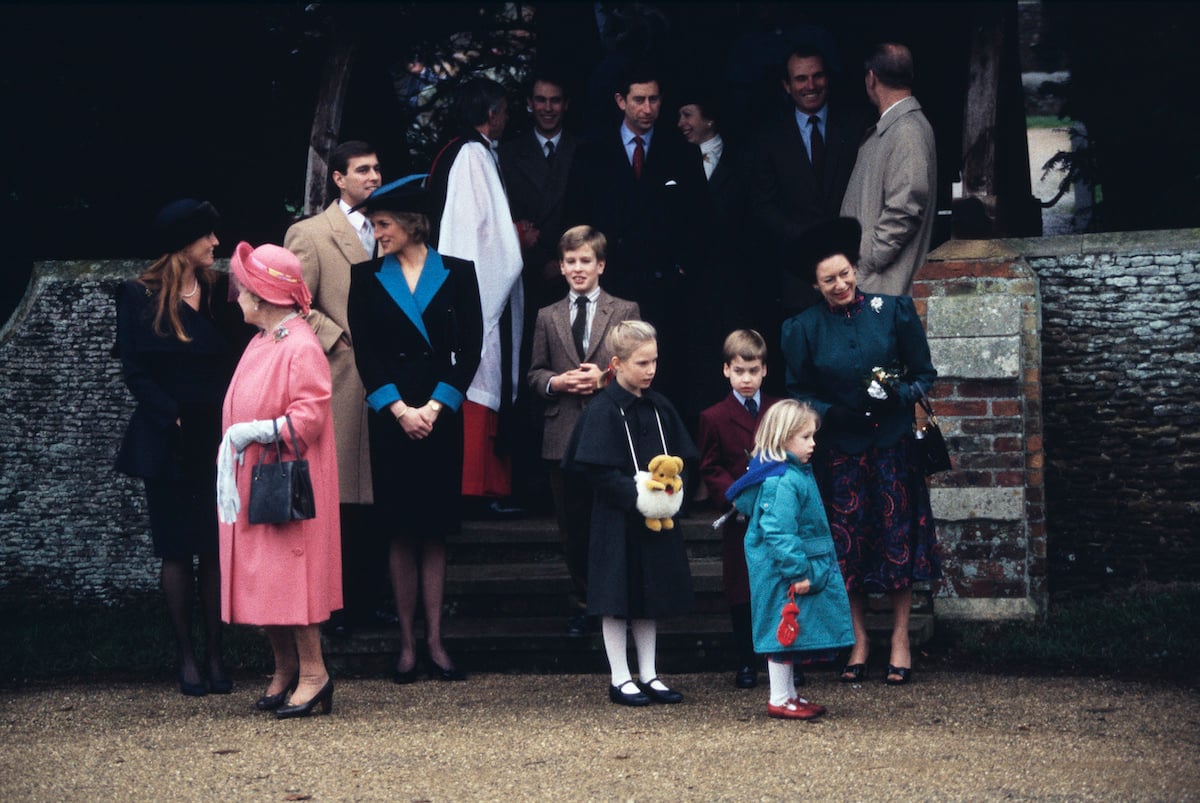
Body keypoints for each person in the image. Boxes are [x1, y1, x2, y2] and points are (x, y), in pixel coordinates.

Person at [781, 217, 940, 686]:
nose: (840, 285)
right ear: (815, 284)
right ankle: (858, 640)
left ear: (856, 269)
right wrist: (831, 413)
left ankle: (899, 639)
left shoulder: (893, 312)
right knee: (847, 549)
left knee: (897, 544)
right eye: (828, 279)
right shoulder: (802, 328)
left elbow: (924, 374)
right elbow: (799, 390)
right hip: (840, 453)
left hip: (892, 450)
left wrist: (899, 394)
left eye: (845, 274)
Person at [346, 176, 484, 683]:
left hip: (439, 419)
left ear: (410, 224)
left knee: (435, 531)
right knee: (400, 531)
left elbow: (470, 349)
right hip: (392, 420)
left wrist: (434, 407)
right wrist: (400, 410)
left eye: (382, 224)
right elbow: (366, 352)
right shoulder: (365, 278)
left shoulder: (459, 273)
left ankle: (436, 642)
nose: (377, 233)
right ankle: (406, 645)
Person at [114, 198, 248, 697]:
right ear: (182, 243)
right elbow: (134, 369)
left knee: (214, 550)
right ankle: (186, 655)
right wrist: (169, 412)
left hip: (216, 437)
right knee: (175, 551)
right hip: (167, 437)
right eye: (207, 236)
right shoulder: (136, 295)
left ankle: (216, 653)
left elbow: (241, 356)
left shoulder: (218, 292)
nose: (216, 244)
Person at [215, 241, 342, 719]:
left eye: (244, 288)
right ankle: (286, 668)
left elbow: (307, 419)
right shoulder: (265, 339)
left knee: (292, 579)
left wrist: (253, 431)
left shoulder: (301, 344)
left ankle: (315, 674)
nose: (238, 296)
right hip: (260, 476)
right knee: (267, 579)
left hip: (289, 482)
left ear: (263, 294)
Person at [562, 321, 697, 706]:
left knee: (648, 594)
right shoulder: (603, 410)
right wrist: (636, 495)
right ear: (617, 363)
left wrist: (672, 490)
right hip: (616, 517)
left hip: (656, 520)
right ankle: (620, 677)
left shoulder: (659, 404)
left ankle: (650, 673)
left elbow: (681, 457)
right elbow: (592, 469)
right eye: (642, 362)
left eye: (655, 361)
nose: (651, 369)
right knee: (615, 596)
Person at [565, 62, 710, 415]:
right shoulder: (591, 154)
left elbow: (701, 221)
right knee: (611, 379)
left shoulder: (682, 151)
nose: (648, 109)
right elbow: (576, 222)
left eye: (654, 99)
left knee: (662, 379)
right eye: (639, 100)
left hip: (664, 289)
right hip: (611, 286)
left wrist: (682, 270)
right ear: (620, 101)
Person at [284, 140, 382, 636]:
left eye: (377, 169)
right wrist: (334, 337)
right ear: (338, 178)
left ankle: (373, 599)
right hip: (338, 375)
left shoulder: (389, 229)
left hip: (386, 377)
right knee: (339, 494)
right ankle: (338, 607)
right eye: (362, 170)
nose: (373, 177)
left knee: (378, 491)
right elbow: (295, 299)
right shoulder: (310, 233)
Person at [527, 225, 640, 637]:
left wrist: (606, 378)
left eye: (585, 261)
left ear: (601, 265)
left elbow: (640, 367)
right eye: (570, 262)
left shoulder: (625, 310)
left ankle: (618, 604)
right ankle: (585, 604)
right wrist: (556, 383)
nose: (578, 269)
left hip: (610, 434)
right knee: (573, 528)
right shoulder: (546, 315)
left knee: (613, 523)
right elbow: (534, 373)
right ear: (560, 266)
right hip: (563, 435)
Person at [425, 77, 524, 514]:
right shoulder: (471, 156)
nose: (505, 118)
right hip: (479, 288)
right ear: (489, 113)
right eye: (502, 110)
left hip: (477, 286)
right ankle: (476, 486)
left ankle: (487, 485)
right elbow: (471, 233)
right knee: (480, 377)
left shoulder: (467, 152)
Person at [725, 400, 854, 720]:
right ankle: (780, 698)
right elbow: (778, 530)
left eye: (813, 436)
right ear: (782, 438)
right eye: (805, 437)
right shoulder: (783, 479)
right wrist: (797, 571)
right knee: (781, 629)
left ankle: (790, 695)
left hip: (786, 568)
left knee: (789, 631)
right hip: (782, 571)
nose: (813, 444)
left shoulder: (792, 472)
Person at [751, 45, 867, 319]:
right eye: (801, 79)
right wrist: (805, 240)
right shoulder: (769, 137)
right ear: (787, 85)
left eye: (818, 76)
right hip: (798, 278)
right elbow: (762, 205)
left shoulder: (857, 125)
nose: (811, 85)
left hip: (851, 274)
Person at [697, 329, 781, 689]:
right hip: (741, 517)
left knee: (778, 586)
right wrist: (734, 495)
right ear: (726, 371)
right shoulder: (713, 416)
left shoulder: (778, 410)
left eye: (753, 371)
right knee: (742, 589)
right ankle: (746, 661)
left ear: (764, 370)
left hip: (777, 513)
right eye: (739, 371)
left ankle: (782, 659)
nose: (746, 379)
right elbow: (710, 466)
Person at [840, 42, 937, 296]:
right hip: (875, 285)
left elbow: (904, 208)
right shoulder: (898, 128)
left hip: (882, 288)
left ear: (871, 78)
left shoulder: (906, 131)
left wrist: (866, 260)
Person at [500, 69, 580, 315]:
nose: (547, 108)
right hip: (528, 276)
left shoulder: (585, 150)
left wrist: (566, 262)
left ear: (566, 104)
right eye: (540, 100)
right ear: (529, 103)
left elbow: (592, 215)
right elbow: (504, 219)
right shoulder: (508, 155)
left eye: (555, 100)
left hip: (576, 274)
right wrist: (540, 262)